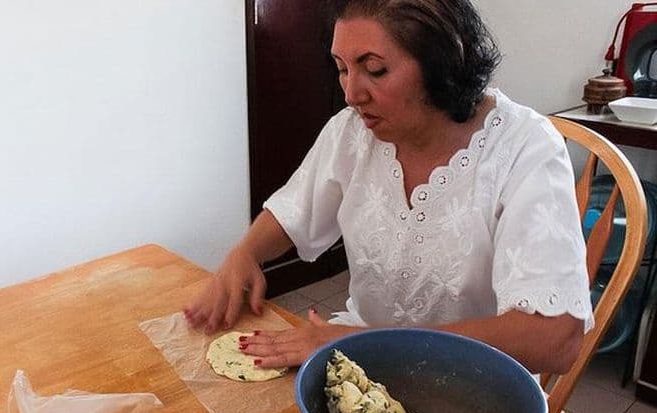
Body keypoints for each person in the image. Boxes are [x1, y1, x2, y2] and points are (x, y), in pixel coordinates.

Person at [184, 0, 593, 375]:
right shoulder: (352, 133)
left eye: (375, 70)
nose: (351, 95)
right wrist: (244, 253)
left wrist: (361, 343)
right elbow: (293, 211)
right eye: (342, 68)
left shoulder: (523, 148)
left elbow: (555, 339)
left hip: (471, 381)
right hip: (358, 364)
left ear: (442, 64)